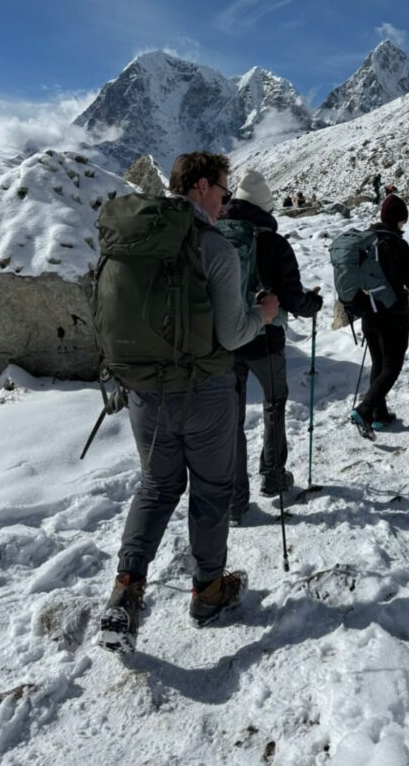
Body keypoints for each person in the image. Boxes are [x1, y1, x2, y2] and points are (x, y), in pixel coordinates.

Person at [98, 151, 280, 651]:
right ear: (200, 186)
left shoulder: (131, 240)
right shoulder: (212, 247)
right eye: (223, 190)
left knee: (157, 486)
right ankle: (208, 590)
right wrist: (264, 313)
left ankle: (126, 591)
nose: (225, 202)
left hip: (144, 393)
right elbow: (233, 332)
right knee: (211, 489)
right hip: (205, 394)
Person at [224, 170, 323, 524]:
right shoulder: (274, 244)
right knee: (274, 406)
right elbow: (295, 301)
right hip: (265, 341)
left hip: (225, 342)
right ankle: (273, 475)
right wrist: (315, 306)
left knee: (231, 421)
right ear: (266, 207)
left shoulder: (217, 236)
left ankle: (235, 501)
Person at [349, 194, 409, 437]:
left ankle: (380, 416)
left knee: (378, 364)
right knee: (392, 367)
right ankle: (365, 409)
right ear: (399, 220)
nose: (404, 225)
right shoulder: (397, 244)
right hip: (393, 314)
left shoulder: (367, 242)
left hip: (369, 312)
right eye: (403, 220)